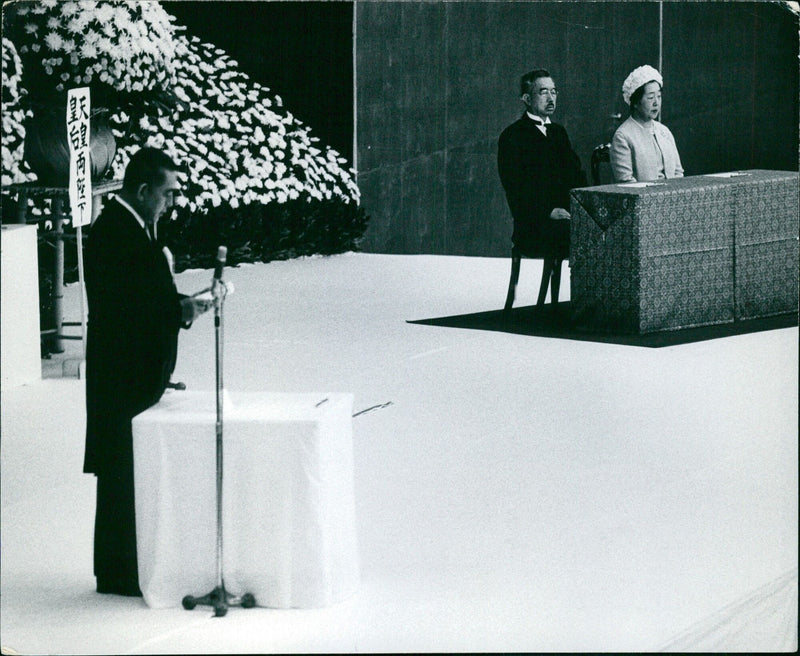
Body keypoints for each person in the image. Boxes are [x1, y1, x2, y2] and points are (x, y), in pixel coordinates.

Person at [83, 147, 211, 596]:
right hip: (123, 376)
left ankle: (125, 568)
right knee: (122, 470)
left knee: (129, 471)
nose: (172, 203)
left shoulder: (137, 228)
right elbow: (126, 311)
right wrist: (179, 310)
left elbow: (145, 300)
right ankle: (119, 574)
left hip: (133, 373)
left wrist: (181, 307)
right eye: (167, 194)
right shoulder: (116, 233)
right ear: (141, 190)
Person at [497, 68, 587, 261]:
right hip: (535, 224)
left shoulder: (558, 132)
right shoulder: (513, 136)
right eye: (543, 92)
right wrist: (548, 211)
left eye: (553, 92)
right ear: (527, 99)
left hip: (567, 216)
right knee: (577, 235)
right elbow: (515, 189)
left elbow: (576, 175)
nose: (550, 98)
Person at [610, 64, 684, 182]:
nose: (656, 103)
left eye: (659, 97)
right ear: (635, 102)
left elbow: (678, 172)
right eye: (650, 97)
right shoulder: (623, 136)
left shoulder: (664, 131)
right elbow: (626, 181)